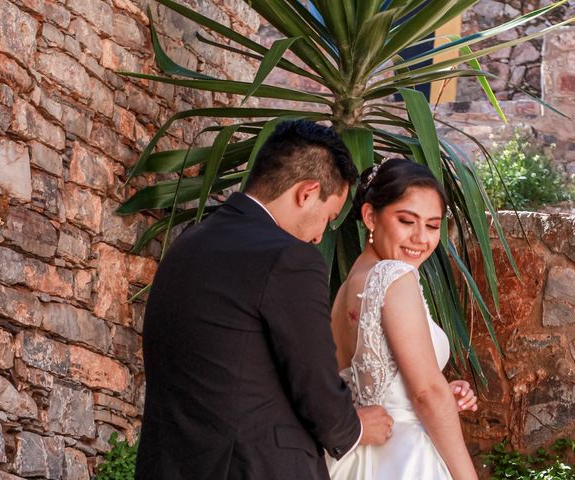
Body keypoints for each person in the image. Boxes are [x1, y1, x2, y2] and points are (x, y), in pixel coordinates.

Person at [135, 120, 393, 480]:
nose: (320, 236)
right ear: (307, 193)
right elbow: (313, 380)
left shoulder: (187, 244)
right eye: (328, 217)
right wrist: (354, 429)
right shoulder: (290, 259)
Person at [327, 158, 479, 480]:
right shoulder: (393, 275)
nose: (421, 238)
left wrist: (439, 393)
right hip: (403, 458)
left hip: (354, 458)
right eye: (407, 221)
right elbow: (426, 393)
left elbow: (373, 379)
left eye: (433, 225)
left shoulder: (350, 285)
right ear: (370, 216)